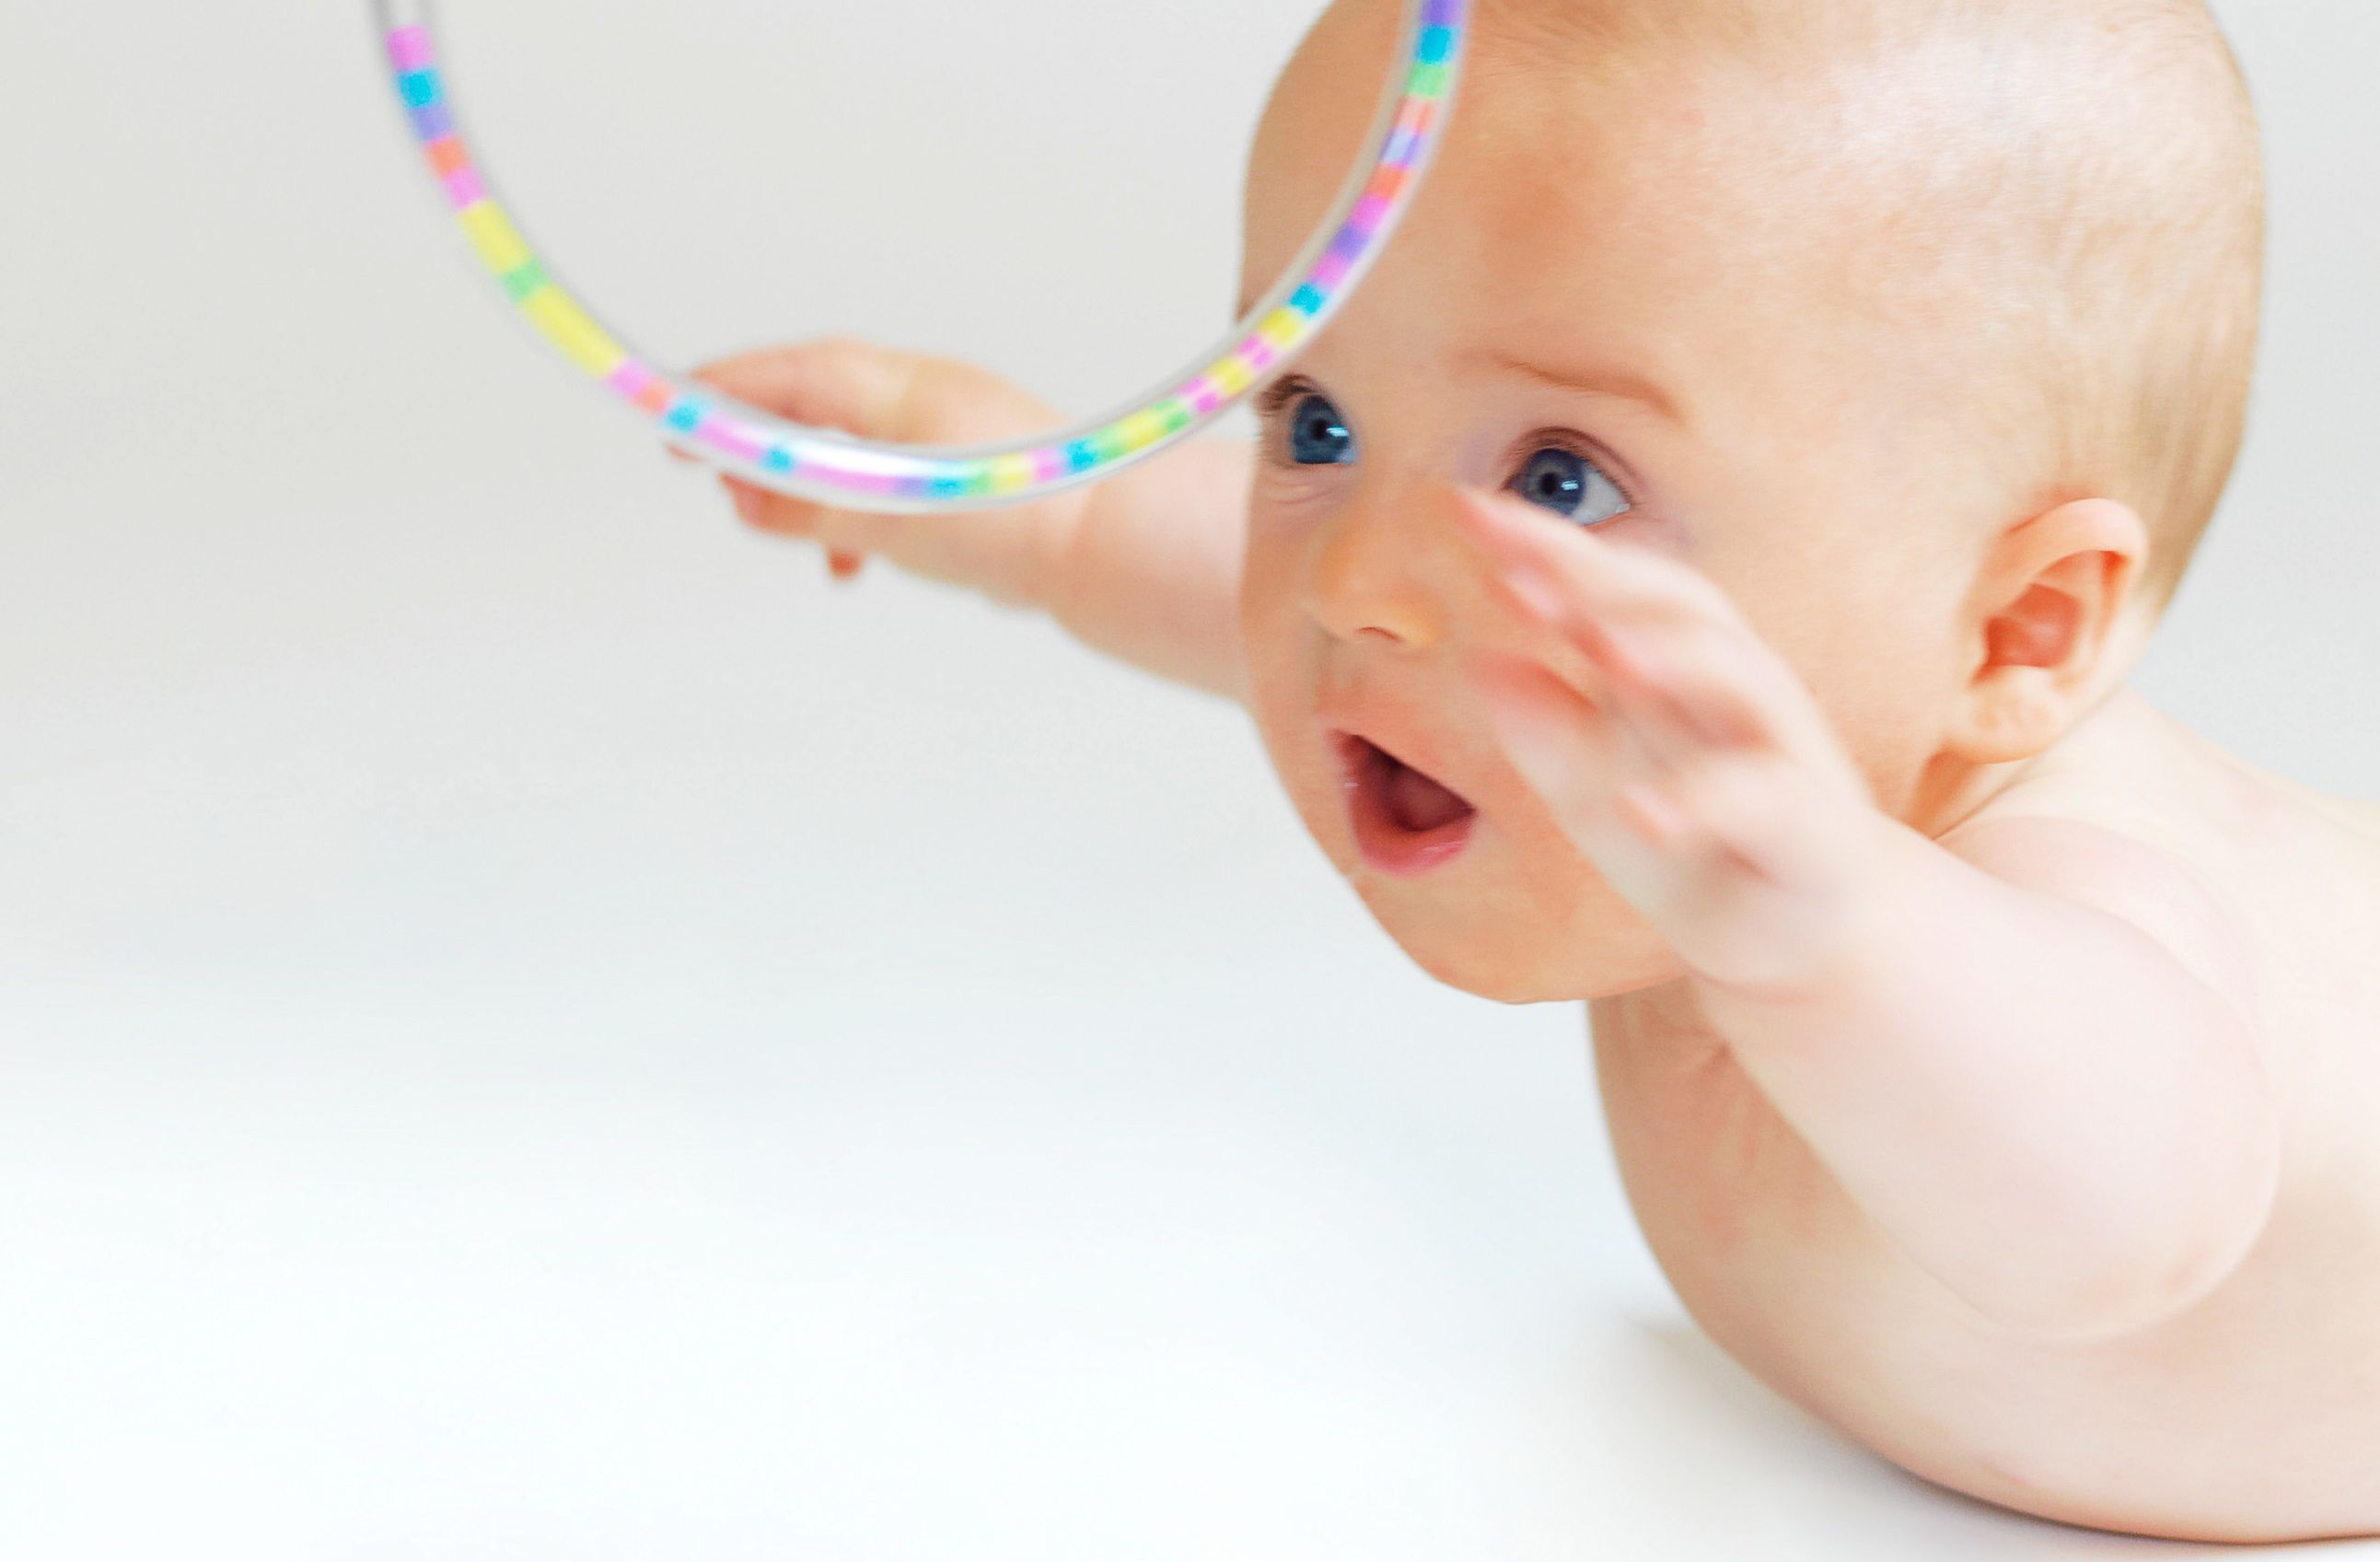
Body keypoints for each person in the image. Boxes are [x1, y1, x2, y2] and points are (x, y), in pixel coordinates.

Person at [683, 0, 2378, 1541]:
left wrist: (1839, 935)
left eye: (1561, 482)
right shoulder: (1619, 757)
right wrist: (1024, 515)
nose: (1362, 584)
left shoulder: (2067, 916)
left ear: (2012, 631)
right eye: (1316, 426)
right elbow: (1273, 607)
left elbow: (2124, 1228)